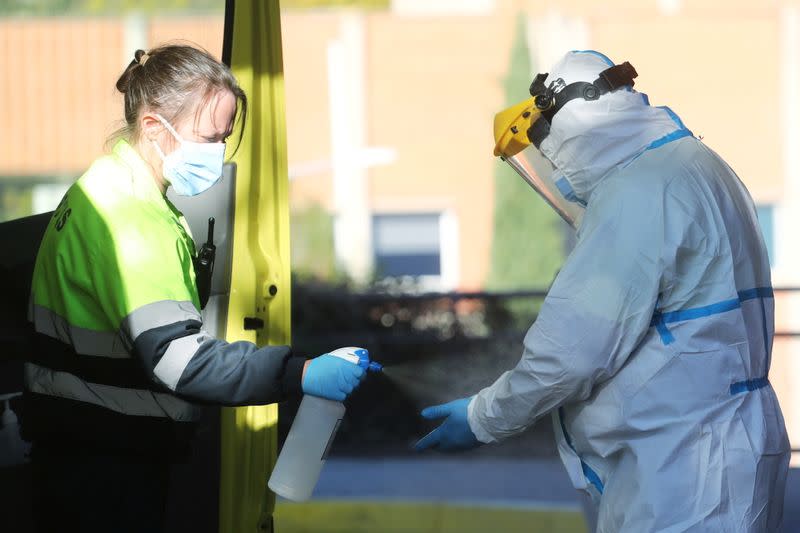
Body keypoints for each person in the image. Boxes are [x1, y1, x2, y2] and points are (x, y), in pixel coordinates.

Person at [415, 50, 790, 532]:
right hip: (718, 445)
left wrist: (484, 417)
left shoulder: (639, 192)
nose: (556, 172)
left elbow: (570, 352)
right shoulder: (694, 164)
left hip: (681, 467)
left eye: (549, 151)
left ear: (571, 125)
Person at [22, 44, 367, 533]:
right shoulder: (133, 223)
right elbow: (179, 361)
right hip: (106, 469)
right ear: (153, 128)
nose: (217, 154)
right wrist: (300, 372)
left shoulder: (103, 185)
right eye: (208, 138)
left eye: (224, 140)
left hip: (78, 448)